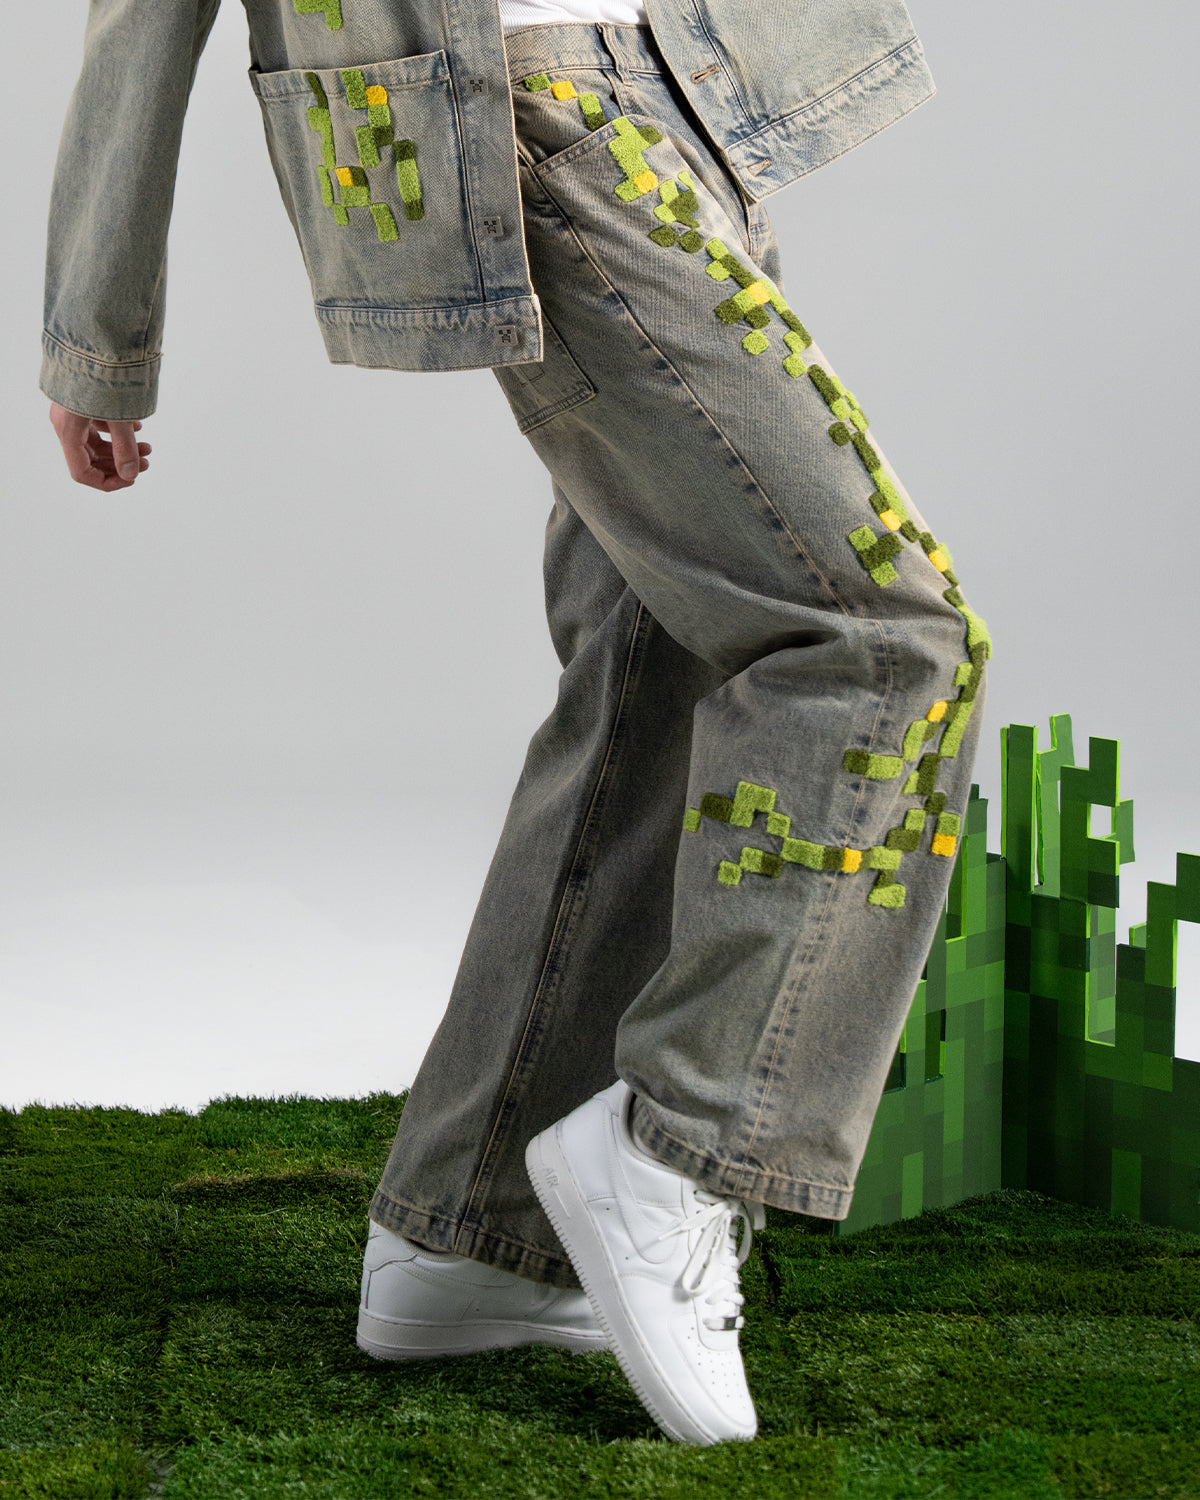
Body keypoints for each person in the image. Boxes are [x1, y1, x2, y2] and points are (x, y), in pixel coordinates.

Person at [43, 0, 990, 1447]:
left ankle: (473, 1235)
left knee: (656, 662)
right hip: (538, 115)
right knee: (887, 640)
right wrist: (94, 335)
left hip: (685, 93)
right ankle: (679, 1147)